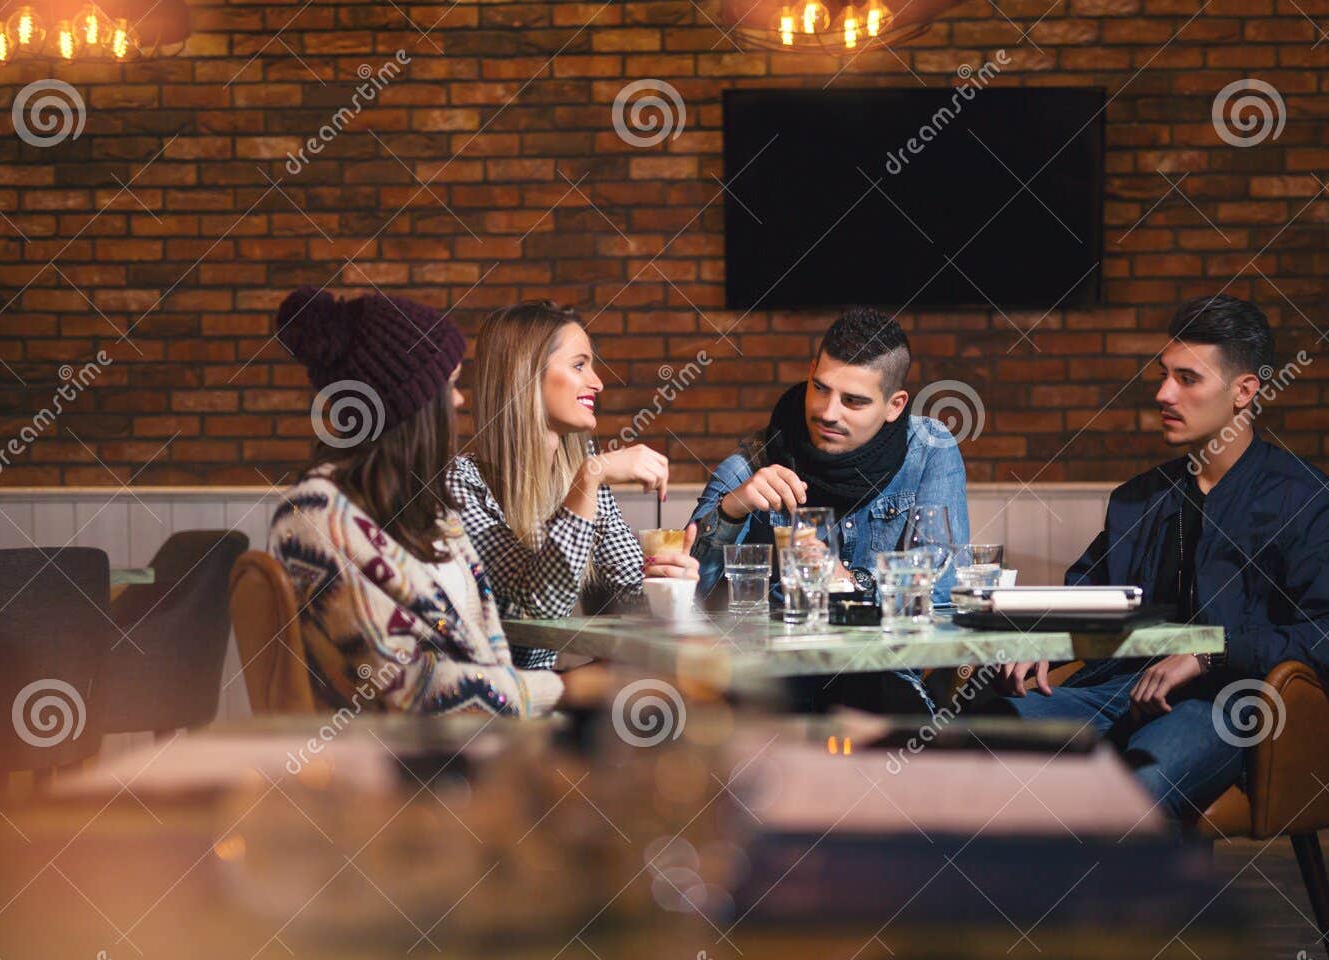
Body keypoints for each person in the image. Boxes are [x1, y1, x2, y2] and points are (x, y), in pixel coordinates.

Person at [995, 294, 1329, 821]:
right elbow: (1092, 593)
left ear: (1244, 391)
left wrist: (1209, 653)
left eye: (1187, 379)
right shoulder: (1139, 499)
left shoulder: (1307, 502)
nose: (1163, 393)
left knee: (1137, 786)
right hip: (1120, 688)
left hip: (1230, 704)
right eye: (1164, 375)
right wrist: (1044, 634)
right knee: (977, 733)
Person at [269, 286, 563, 717]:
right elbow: (406, 689)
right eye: (452, 384)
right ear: (412, 405)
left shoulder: (430, 511)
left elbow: (487, 656)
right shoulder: (315, 519)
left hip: (481, 737)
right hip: (395, 754)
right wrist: (563, 689)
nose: (460, 400)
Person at [688, 306, 970, 713]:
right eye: (820, 388)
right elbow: (686, 601)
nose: (827, 412)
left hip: (883, 677)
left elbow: (943, 593)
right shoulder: (753, 464)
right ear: (810, 372)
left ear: (894, 405)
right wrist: (732, 510)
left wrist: (849, 584)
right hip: (772, 684)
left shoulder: (928, 450)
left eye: (853, 401)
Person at [446, 301, 699, 670]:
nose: (598, 382)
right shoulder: (462, 482)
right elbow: (539, 605)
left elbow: (633, 589)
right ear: (527, 375)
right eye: (579, 365)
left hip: (546, 689)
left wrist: (669, 585)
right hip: (487, 696)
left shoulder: (580, 468)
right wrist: (590, 476)